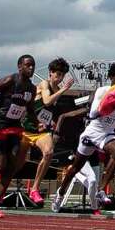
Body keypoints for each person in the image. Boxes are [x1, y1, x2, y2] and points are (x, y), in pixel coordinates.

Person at [51, 62, 115, 214]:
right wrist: (111, 103)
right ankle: (60, 195)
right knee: (75, 168)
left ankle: (100, 190)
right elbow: (93, 114)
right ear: (111, 78)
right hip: (92, 133)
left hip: (107, 134)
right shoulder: (102, 91)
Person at [0, 54, 39, 219]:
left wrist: (38, 123)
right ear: (20, 66)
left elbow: (30, 109)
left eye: (33, 65)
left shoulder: (32, 89)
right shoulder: (10, 80)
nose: (31, 68)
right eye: (27, 65)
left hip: (15, 129)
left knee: (12, 167)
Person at [22, 57, 77, 205]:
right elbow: (46, 101)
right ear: (50, 73)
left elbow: (48, 109)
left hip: (40, 130)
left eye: (62, 75)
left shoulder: (57, 90)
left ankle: (34, 188)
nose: (60, 78)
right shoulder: (44, 84)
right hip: (26, 128)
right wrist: (64, 89)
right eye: (58, 74)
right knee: (16, 163)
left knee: (49, 152)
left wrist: (51, 122)